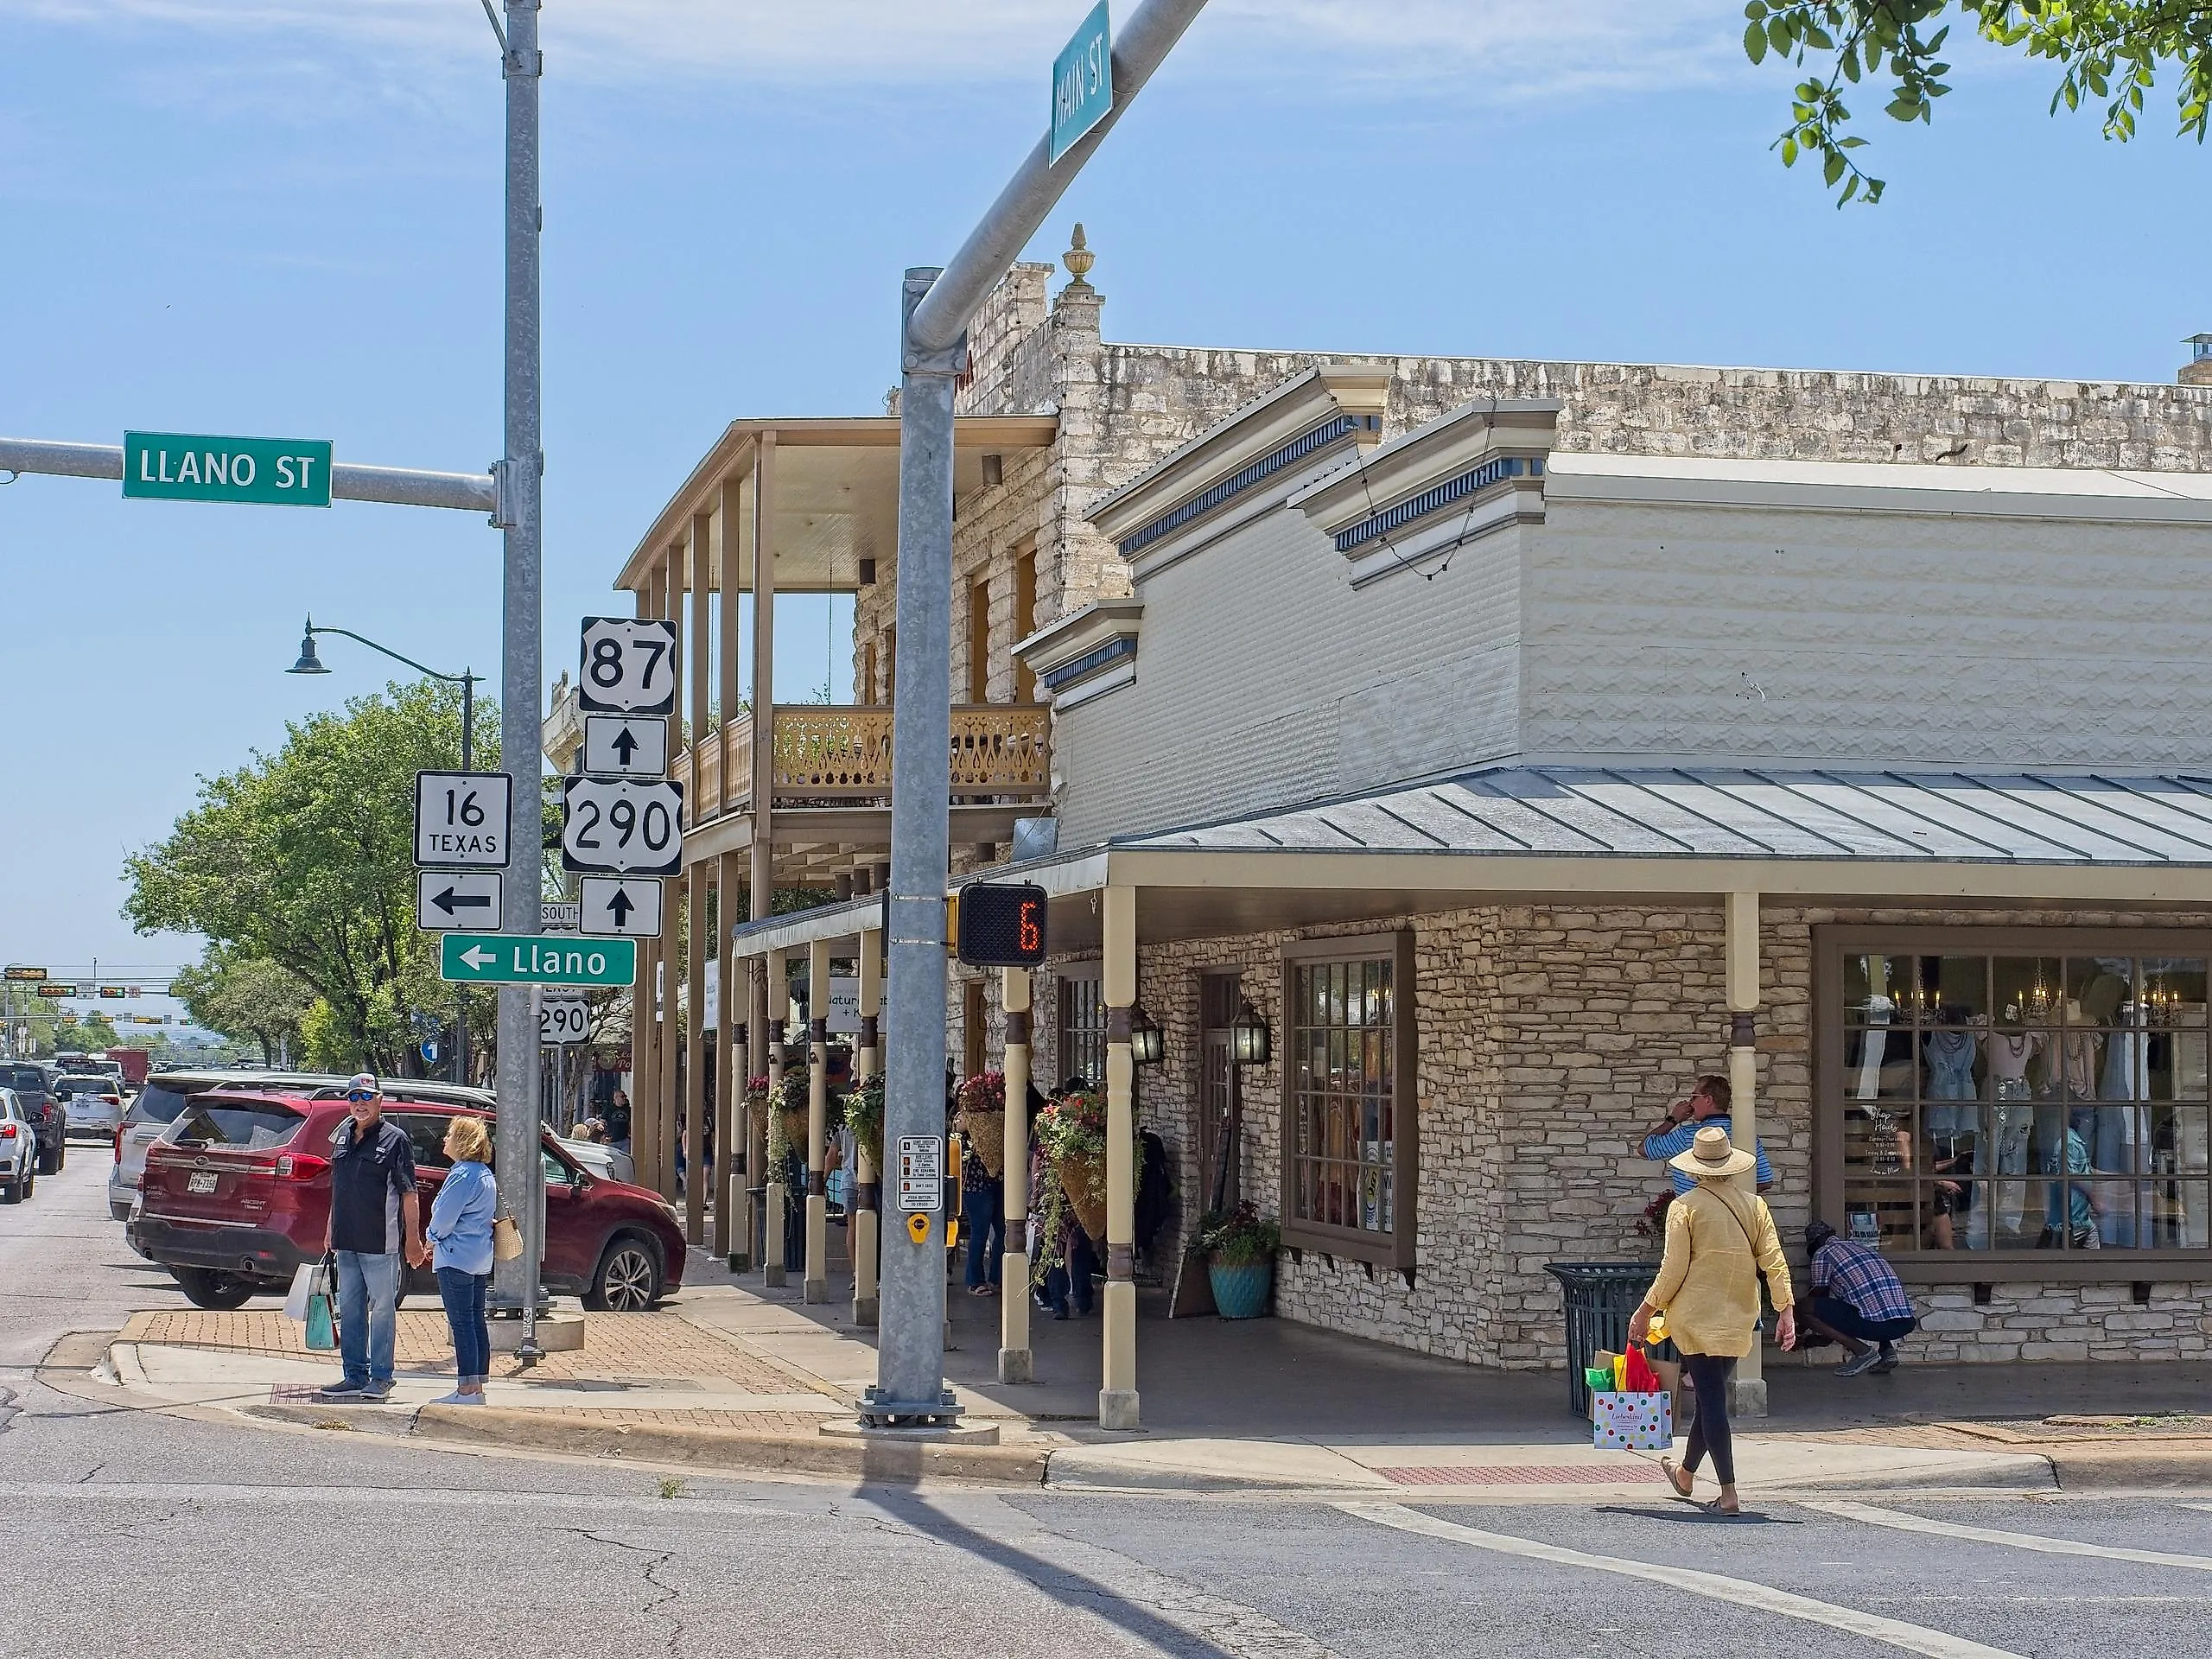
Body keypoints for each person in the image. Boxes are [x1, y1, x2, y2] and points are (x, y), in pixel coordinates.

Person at [1628, 1126, 1796, 1516]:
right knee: (1710, 1399)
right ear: (1731, 1167)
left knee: (1712, 1400)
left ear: (1695, 1168)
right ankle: (1686, 1475)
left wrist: (1645, 1310)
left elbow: (1673, 1269)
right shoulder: (1756, 1207)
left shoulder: (1684, 1207)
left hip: (1695, 1316)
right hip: (1739, 1314)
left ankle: (1729, 1492)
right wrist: (1785, 1308)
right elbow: (1774, 1261)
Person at [318, 1074, 426, 1403]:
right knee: (350, 1309)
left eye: (366, 1096)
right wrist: (329, 1229)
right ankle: (354, 1375)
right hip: (346, 1241)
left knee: (382, 1310)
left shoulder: (396, 1140)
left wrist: (413, 1240)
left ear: (379, 1100)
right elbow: (338, 1189)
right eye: (353, 1097)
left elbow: (409, 1193)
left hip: (381, 1243)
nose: (359, 1103)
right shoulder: (342, 1137)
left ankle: (381, 1377)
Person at [426, 1115, 498, 1406]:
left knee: (462, 1323)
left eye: (450, 1135)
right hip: (479, 1257)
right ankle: (477, 1385)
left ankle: (467, 1388)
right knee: (475, 1320)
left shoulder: (462, 1175)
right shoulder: (484, 1174)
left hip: (456, 1256)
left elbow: (444, 1218)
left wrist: (430, 1237)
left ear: (462, 1142)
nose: (445, 1140)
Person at [1802, 1221, 1917, 1377]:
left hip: (1877, 1326)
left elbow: (1817, 1299)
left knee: (1802, 1307)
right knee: (1867, 1304)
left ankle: (1862, 1352)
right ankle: (1887, 1351)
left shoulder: (1823, 1253)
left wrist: (1799, 1328)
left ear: (1815, 1243)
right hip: (1906, 1323)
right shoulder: (1861, 1248)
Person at [1643, 1074, 1775, 1196]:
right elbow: (1765, 1181)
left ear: (1708, 1100)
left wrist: (1673, 1119)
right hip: (1733, 1217)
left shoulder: (1687, 1135)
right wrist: (1731, 1196)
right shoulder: (1747, 1136)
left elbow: (1644, 1149)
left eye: (1694, 1097)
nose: (1691, 1103)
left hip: (1694, 1215)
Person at [962, 1135, 1004, 1298]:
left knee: (1003, 1231)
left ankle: (997, 1278)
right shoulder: (963, 1117)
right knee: (980, 1232)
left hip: (999, 1180)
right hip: (975, 1183)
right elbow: (956, 1128)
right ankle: (975, 1281)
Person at [604, 1089, 632, 1157]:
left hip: (624, 1141)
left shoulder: (628, 1109)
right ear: (616, 1098)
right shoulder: (609, 1109)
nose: (624, 1098)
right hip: (611, 1141)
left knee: (625, 1159)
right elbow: (602, 1122)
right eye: (622, 1096)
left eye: (625, 1096)